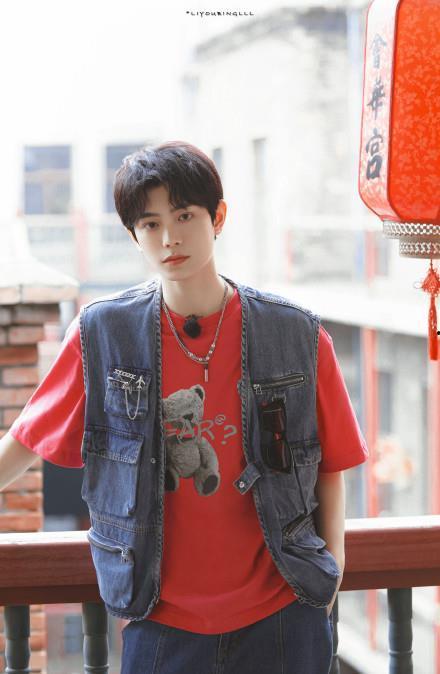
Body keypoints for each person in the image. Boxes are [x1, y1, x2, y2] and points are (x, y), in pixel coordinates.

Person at [0, 140, 368, 674]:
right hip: (161, 621)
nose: (169, 238)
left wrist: (330, 579)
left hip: (284, 614)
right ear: (133, 235)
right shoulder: (103, 334)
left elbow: (331, 465)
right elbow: (25, 441)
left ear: (218, 217)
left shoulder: (295, 333)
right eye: (150, 224)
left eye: (184, 215)